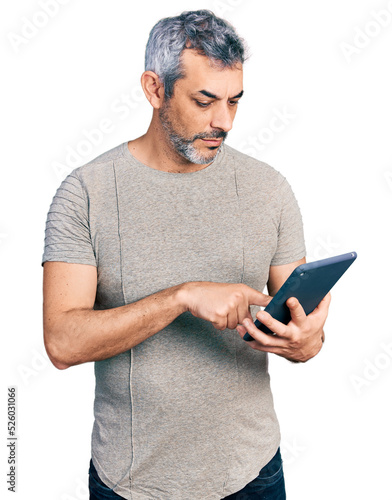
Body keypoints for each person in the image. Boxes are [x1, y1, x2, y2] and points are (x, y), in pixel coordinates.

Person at [42, 10, 330, 500]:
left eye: (234, 102)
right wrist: (182, 297)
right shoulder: (85, 192)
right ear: (155, 89)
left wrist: (306, 342)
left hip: (253, 473)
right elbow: (62, 343)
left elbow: (302, 331)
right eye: (204, 101)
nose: (224, 121)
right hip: (131, 484)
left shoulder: (269, 190)